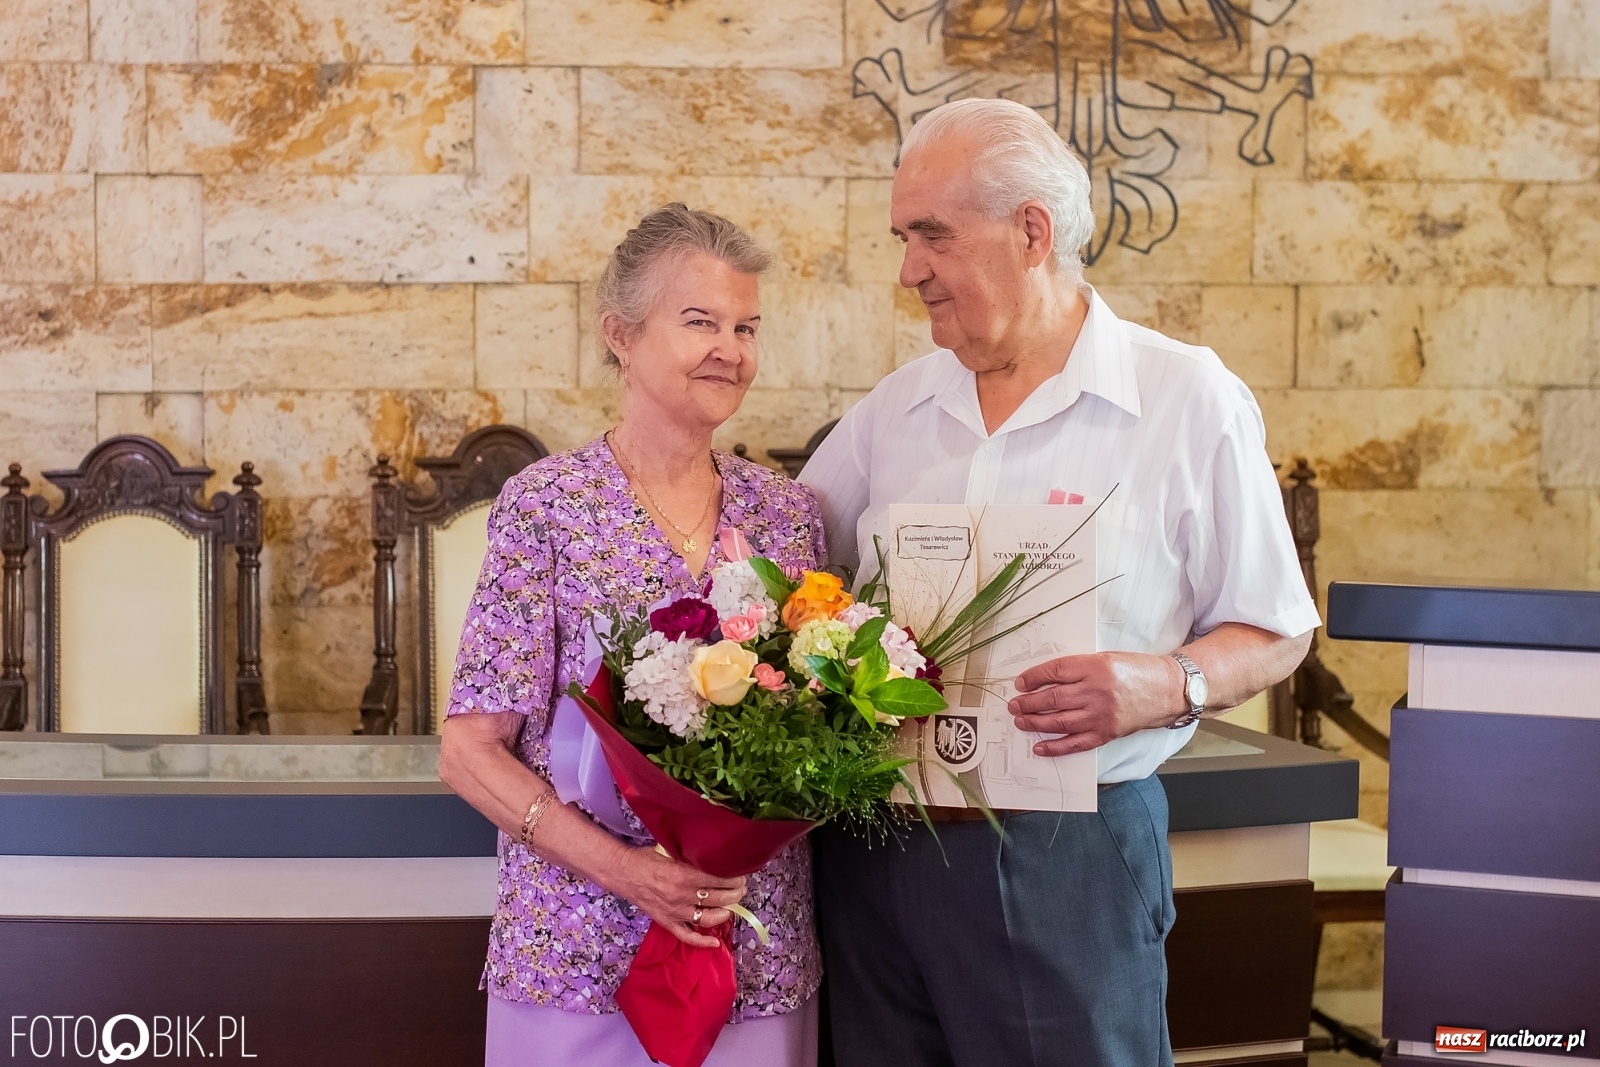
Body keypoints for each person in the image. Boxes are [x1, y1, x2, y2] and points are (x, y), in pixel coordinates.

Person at [800, 98, 1319, 1066]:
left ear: (1031, 231)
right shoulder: (891, 410)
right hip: (874, 848)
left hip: (1067, 854)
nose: (908, 267)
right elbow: (783, 581)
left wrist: (1166, 683)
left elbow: (1279, 627)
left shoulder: (1184, 396)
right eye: (902, 236)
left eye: (932, 234)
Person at [440, 204, 823, 1067]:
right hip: (577, 955)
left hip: (752, 952)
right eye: (701, 322)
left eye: (746, 326)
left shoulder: (790, 516)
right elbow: (469, 751)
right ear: (621, 333)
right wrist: (631, 872)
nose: (730, 347)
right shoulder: (547, 507)